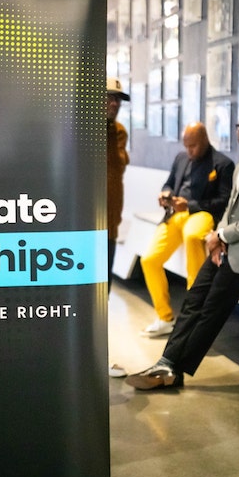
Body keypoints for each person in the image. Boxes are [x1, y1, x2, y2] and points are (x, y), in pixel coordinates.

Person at [126, 109, 239, 389]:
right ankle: (166, 362)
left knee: (210, 310)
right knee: (193, 300)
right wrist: (218, 236)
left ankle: (174, 371)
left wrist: (222, 235)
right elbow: (232, 208)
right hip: (228, 243)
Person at [139, 121, 234, 338]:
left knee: (192, 236)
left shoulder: (223, 164)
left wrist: (189, 205)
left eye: (193, 146)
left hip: (201, 213)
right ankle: (164, 318)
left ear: (205, 141)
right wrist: (165, 195)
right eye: (186, 145)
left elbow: (224, 201)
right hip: (174, 215)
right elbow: (169, 183)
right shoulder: (181, 158)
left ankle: (195, 309)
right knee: (149, 260)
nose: (189, 150)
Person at [106, 77, 130, 378]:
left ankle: (101, 356)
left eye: (118, 99)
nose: (114, 104)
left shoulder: (118, 131)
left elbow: (117, 165)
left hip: (109, 226)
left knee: (104, 295)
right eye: (109, 97)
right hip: (83, 228)